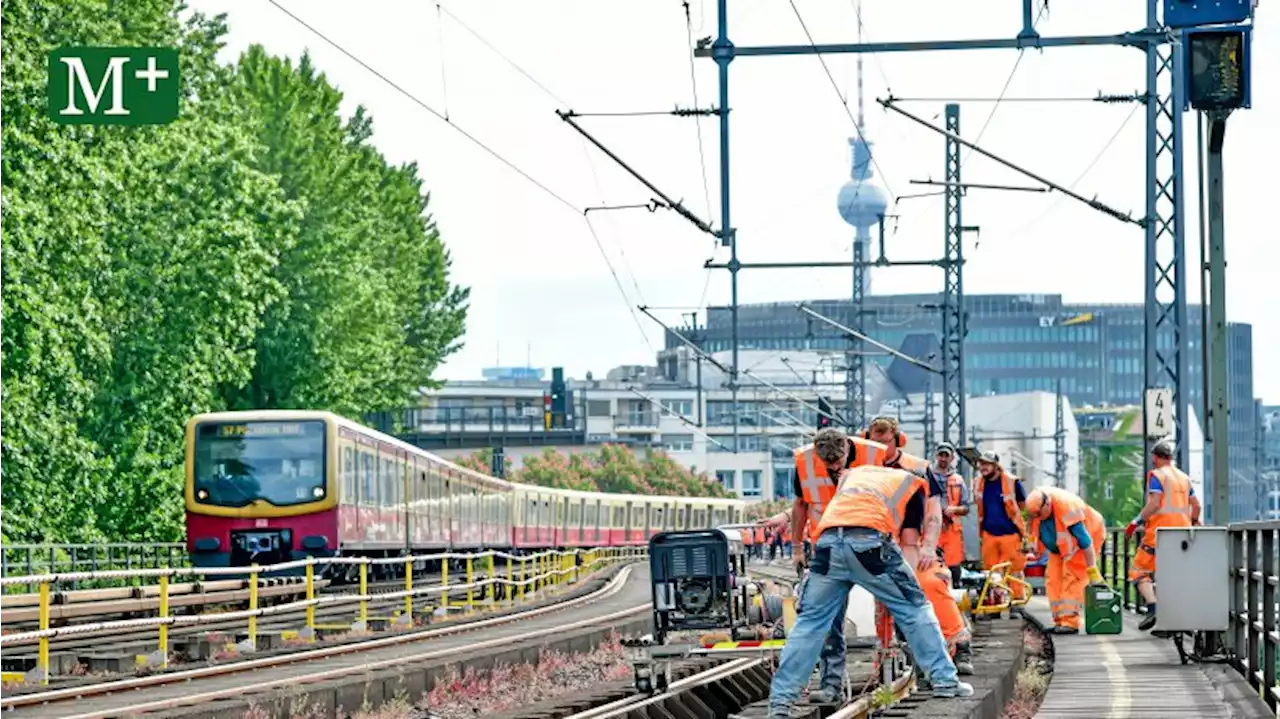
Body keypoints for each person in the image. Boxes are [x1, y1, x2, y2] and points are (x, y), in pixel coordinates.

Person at [766, 465, 974, 717]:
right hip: (869, 544)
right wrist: (906, 585)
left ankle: (780, 704)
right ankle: (945, 681)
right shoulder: (914, 485)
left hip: (827, 544)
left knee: (809, 623)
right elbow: (909, 539)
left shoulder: (858, 475)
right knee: (915, 608)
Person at [759, 427, 891, 703]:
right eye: (827, 462)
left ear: (846, 449)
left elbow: (895, 498)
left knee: (904, 609)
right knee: (826, 619)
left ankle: (916, 667)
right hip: (828, 549)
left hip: (869, 544)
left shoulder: (871, 457)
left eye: (837, 460)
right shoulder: (805, 464)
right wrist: (796, 547)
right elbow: (800, 505)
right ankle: (831, 686)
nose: (833, 466)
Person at [1125, 438, 1200, 631]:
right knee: (1172, 575)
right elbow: (1196, 505)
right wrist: (1192, 520)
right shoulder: (1184, 477)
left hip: (1158, 534)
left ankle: (1153, 608)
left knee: (1139, 573)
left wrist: (1136, 522)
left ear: (1154, 457)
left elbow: (1155, 503)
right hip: (1182, 534)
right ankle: (1174, 622)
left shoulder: (1157, 475)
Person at [1023, 487, 1108, 634]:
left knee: (1072, 578)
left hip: (1083, 542)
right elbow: (1036, 531)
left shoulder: (1068, 509)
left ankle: (1070, 622)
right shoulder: (1038, 510)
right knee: (1053, 579)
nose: (1037, 517)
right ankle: (1059, 620)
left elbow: (1085, 541)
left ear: (1047, 504)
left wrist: (1092, 568)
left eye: (1038, 514)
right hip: (1060, 548)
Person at [973, 450, 1029, 602]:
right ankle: (994, 603)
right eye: (981, 464)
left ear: (996, 466)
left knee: (1014, 570)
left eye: (986, 464)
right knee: (991, 572)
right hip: (988, 534)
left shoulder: (1012, 482)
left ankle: (1016, 601)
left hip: (1010, 534)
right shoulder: (978, 482)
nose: (982, 467)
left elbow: (1023, 506)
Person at [933, 443, 970, 584]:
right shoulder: (926, 477)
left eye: (946, 456)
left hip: (952, 530)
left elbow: (966, 508)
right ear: (936, 456)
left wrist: (954, 510)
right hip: (932, 528)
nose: (943, 459)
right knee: (931, 564)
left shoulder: (958, 480)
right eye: (941, 455)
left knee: (954, 565)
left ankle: (954, 597)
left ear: (952, 458)